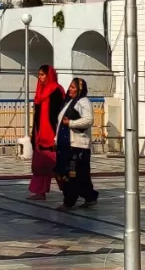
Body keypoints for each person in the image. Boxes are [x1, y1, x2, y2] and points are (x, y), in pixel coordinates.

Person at [56, 77, 98, 209]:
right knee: (77, 174)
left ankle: (69, 201)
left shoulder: (83, 101)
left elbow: (89, 120)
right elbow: (60, 123)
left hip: (77, 146)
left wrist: (72, 123)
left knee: (72, 174)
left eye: (73, 87)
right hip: (66, 144)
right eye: (70, 87)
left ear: (80, 89)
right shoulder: (70, 102)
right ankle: (90, 196)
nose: (70, 90)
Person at [28, 65, 65, 199]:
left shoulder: (57, 90)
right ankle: (40, 192)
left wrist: (59, 132)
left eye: (43, 74)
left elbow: (60, 112)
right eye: (39, 75)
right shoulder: (40, 91)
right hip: (40, 132)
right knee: (40, 164)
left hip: (52, 131)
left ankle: (69, 191)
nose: (40, 77)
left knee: (56, 164)